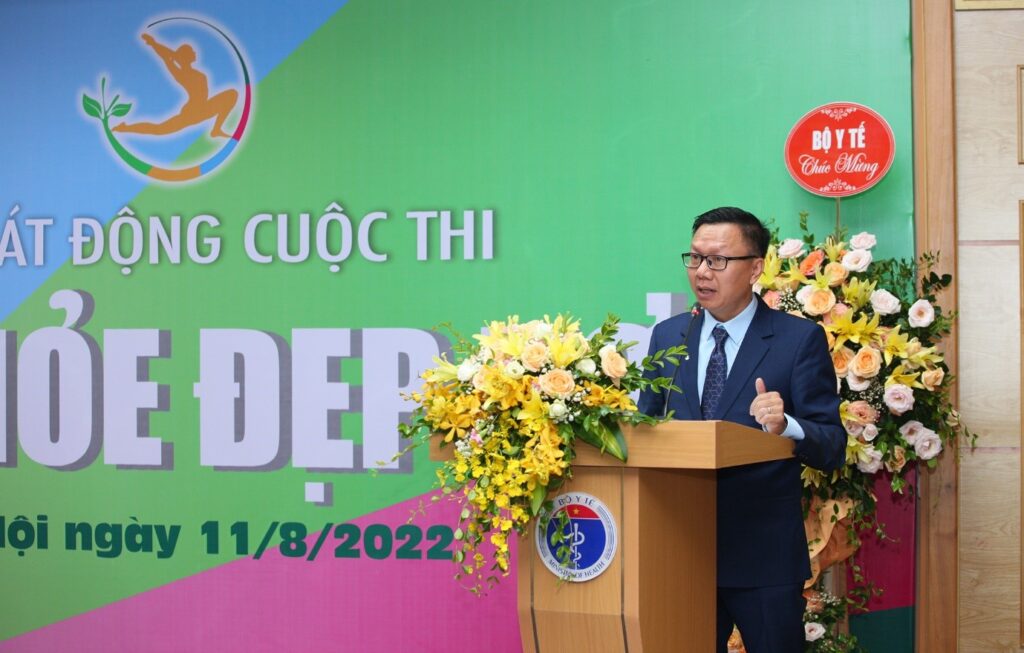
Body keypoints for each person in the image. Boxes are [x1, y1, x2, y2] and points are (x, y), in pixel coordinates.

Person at [638, 206, 845, 653]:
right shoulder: (669, 337)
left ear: (754, 268)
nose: (702, 272)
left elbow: (832, 445)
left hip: (762, 556)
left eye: (717, 260)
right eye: (695, 258)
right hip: (679, 551)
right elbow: (645, 432)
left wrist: (787, 425)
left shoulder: (797, 340)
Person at [113, 33, 238, 139]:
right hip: (191, 113)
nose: (194, 52)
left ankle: (216, 129)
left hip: (204, 108)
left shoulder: (197, 73)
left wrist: (158, 46)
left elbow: (170, 55)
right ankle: (125, 128)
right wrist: (153, 44)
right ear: (186, 56)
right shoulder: (181, 74)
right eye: (191, 51)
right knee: (158, 129)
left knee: (232, 94)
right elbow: (166, 57)